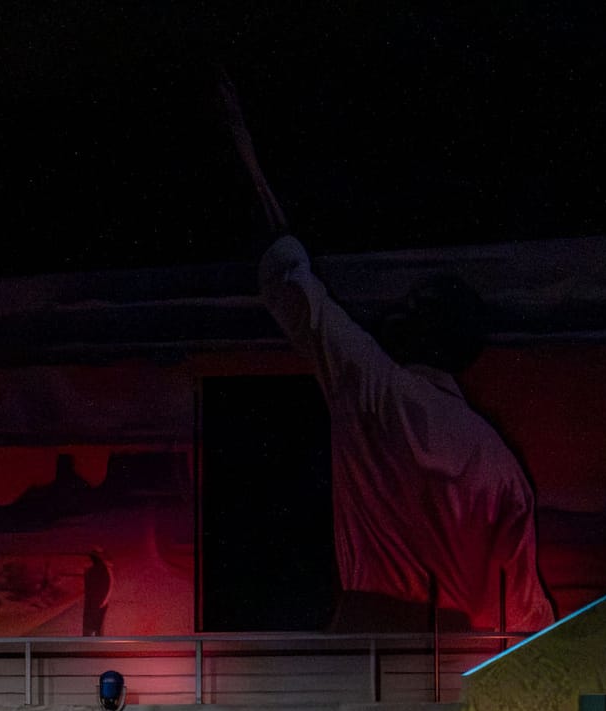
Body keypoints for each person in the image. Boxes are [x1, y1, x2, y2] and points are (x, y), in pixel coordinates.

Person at [222, 75, 554, 634]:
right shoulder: (500, 466)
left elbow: (292, 283)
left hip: (365, 638)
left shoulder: (373, 388)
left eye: (411, 306)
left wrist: (244, 154)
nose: (396, 313)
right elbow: (526, 610)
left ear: (422, 328)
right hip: (454, 653)